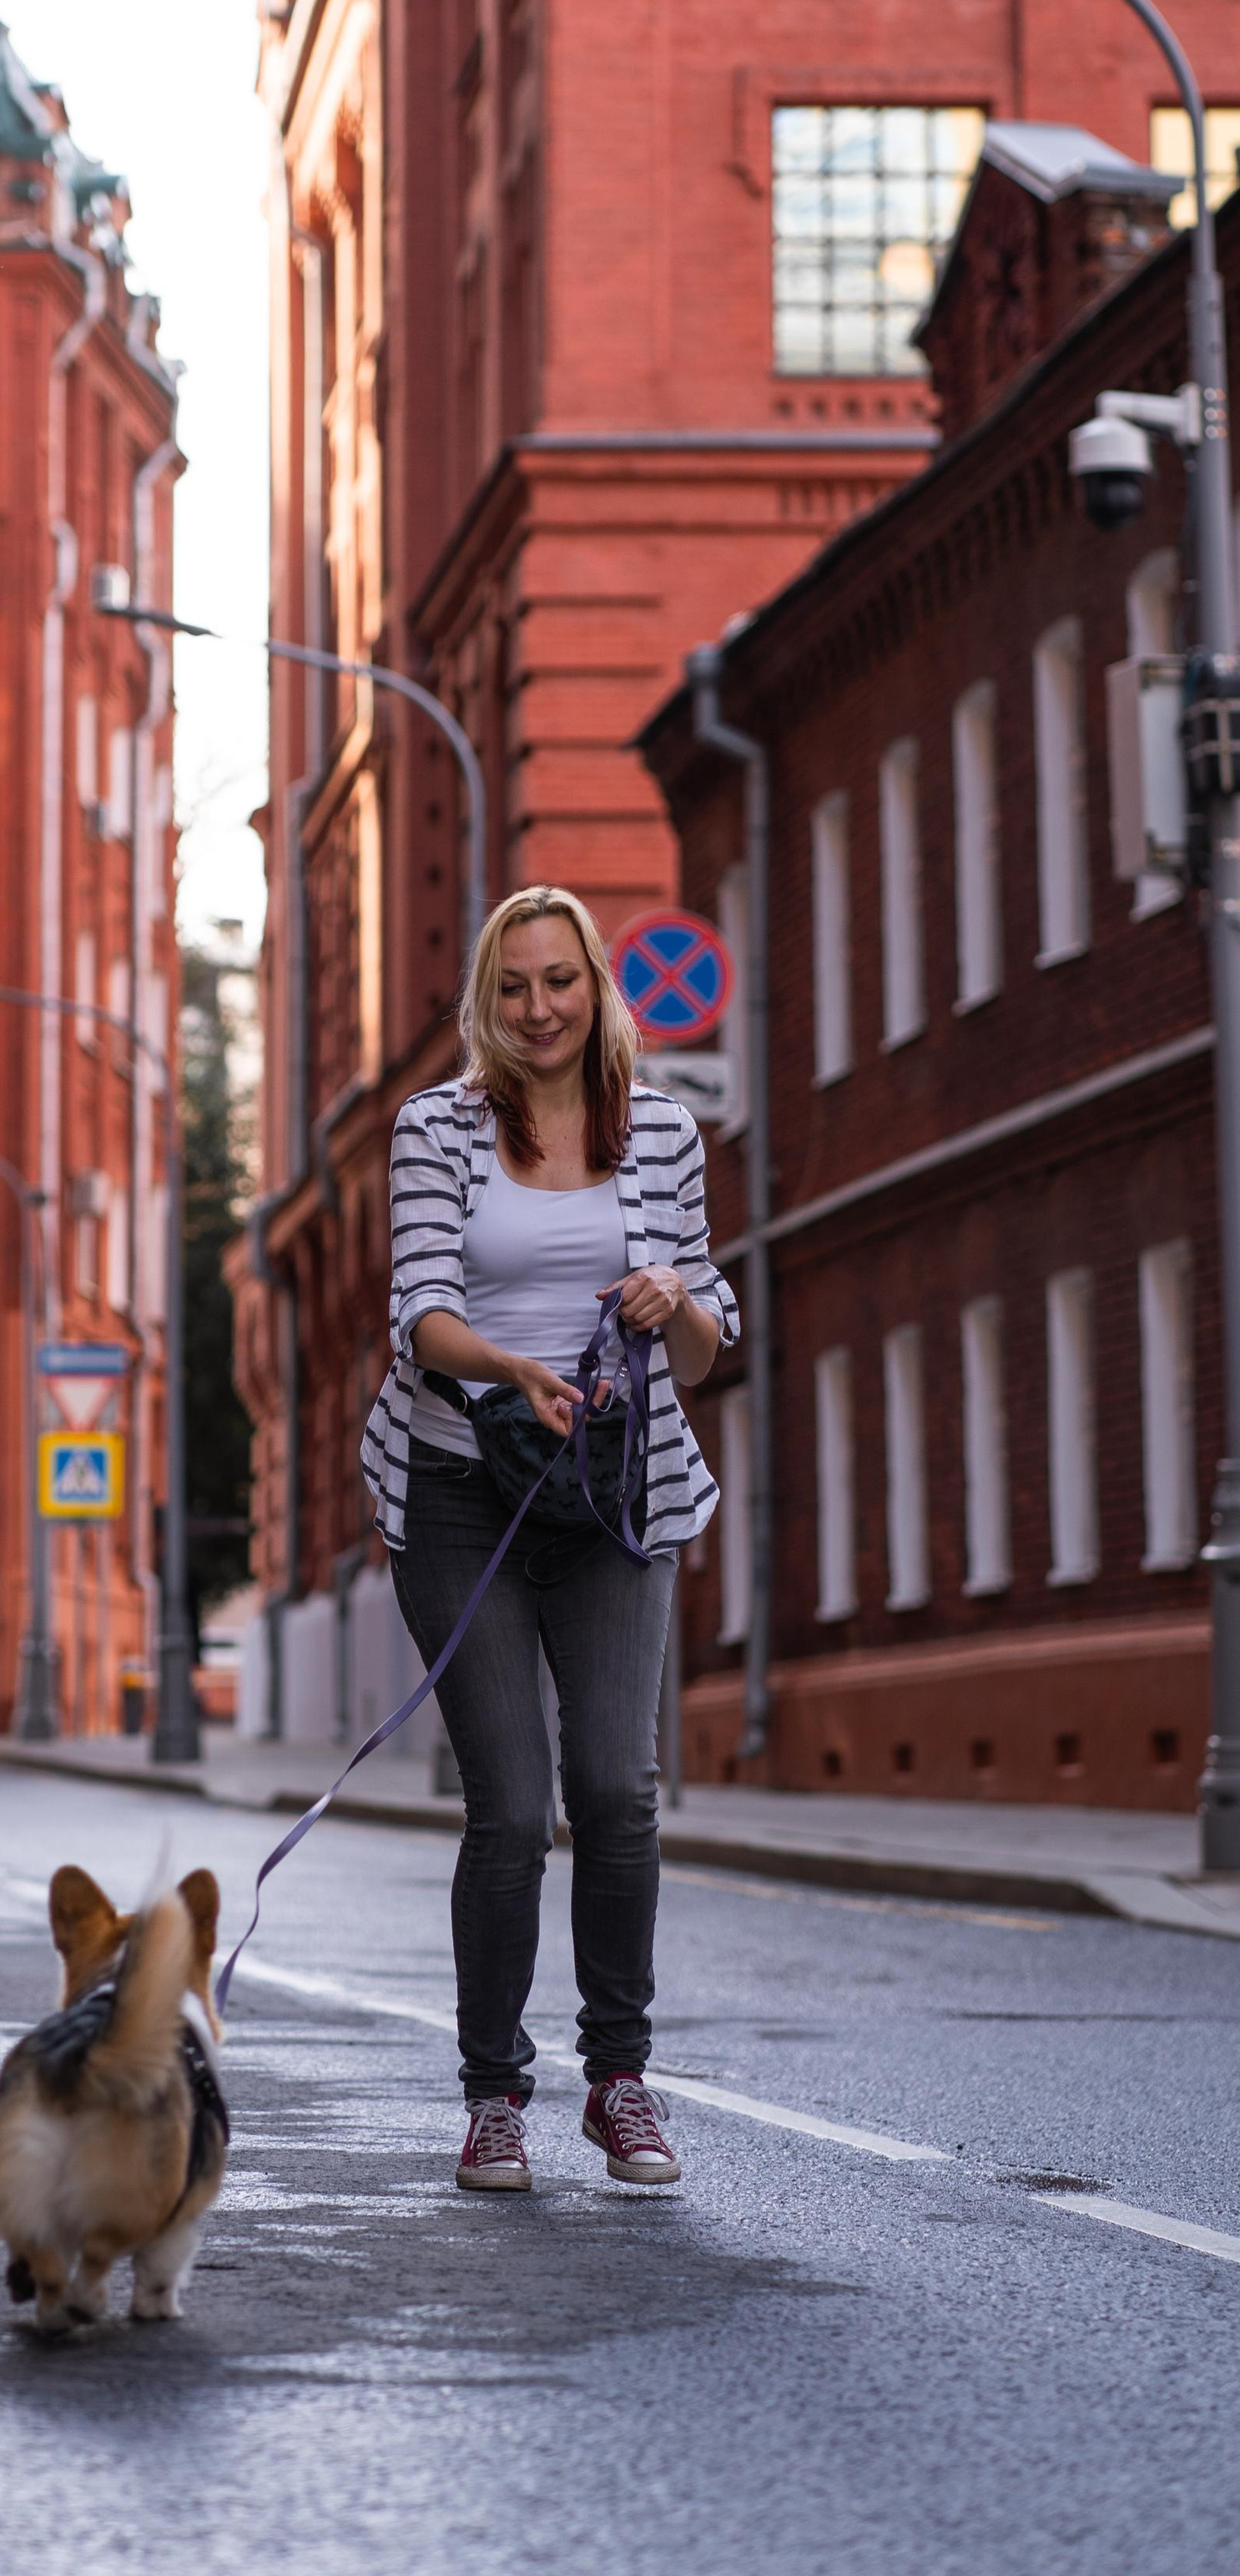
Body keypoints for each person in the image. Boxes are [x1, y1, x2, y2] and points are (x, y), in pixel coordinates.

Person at [359, 886, 737, 2193]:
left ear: (597, 990)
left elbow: (706, 1343)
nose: (538, 1008)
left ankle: (620, 2084)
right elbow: (420, 1316)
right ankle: (494, 2097)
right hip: (464, 1494)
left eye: (560, 981)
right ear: (485, 1000)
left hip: (616, 1502)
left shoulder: (667, 1136)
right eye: (512, 986)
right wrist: (517, 1370)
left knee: (621, 1792)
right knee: (511, 1808)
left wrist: (676, 1295)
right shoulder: (435, 1130)